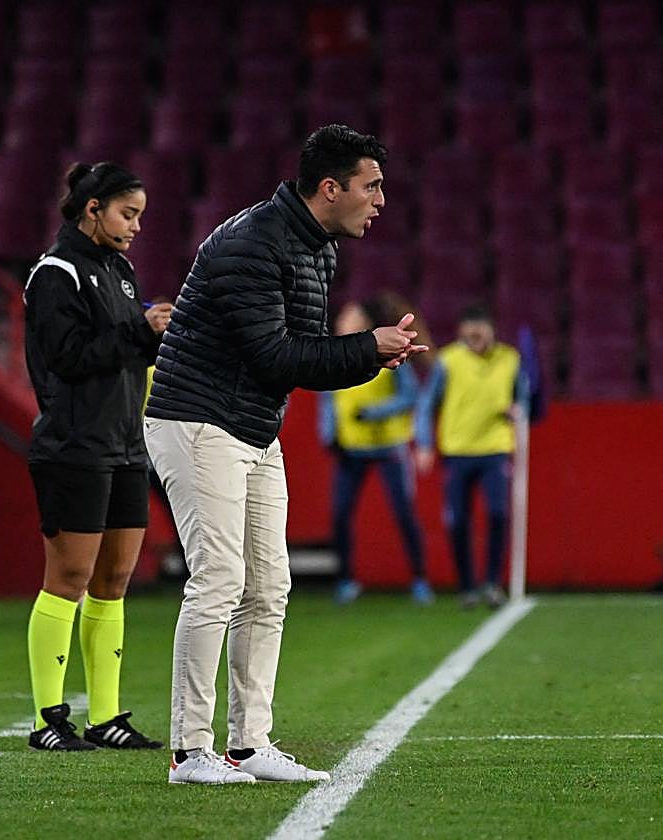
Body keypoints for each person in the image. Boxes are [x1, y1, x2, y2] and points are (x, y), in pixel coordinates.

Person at [145, 124, 425, 785]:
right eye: (371, 187)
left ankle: (248, 744)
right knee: (218, 581)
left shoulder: (314, 247)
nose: (380, 202)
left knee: (269, 585)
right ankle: (190, 752)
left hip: (250, 425)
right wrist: (367, 349)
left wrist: (369, 354)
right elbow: (276, 355)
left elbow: (300, 356)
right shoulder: (251, 243)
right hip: (197, 420)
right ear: (330, 188)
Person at [23, 162, 172, 752]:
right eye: (126, 214)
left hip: (126, 445)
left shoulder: (120, 269)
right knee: (69, 578)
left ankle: (105, 716)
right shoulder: (55, 273)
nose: (135, 226)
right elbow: (67, 357)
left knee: (113, 580)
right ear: (93, 209)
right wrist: (140, 331)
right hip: (73, 447)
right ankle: (46, 719)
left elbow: (122, 352)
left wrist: (151, 334)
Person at [319, 297, 432, 605]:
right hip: (351, 448)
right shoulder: (332, 355)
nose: (343, 321)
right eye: (342, 316)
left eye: (350, 316)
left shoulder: (384, 353)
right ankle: (346, 581)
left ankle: (420, 579)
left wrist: (375, 412)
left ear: (365, 324)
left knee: (403, 512)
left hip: (389, 446)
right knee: (340, 514)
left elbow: (410, 395)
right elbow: (327, 396)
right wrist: (328, 432)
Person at [416, 305, 519, 610]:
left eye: (480, 328)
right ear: (461, 332)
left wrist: (517, 409)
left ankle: (492, 583)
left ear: (491, 330)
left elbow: (524, 396)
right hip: (457, 451)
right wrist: (424, 443)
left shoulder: (510, 359)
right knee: (458, 521)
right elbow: (427, 403)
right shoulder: (447, 361)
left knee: (499, 515)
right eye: (469, 329)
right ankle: (466, 585)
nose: (475, 335)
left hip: (495, 448)